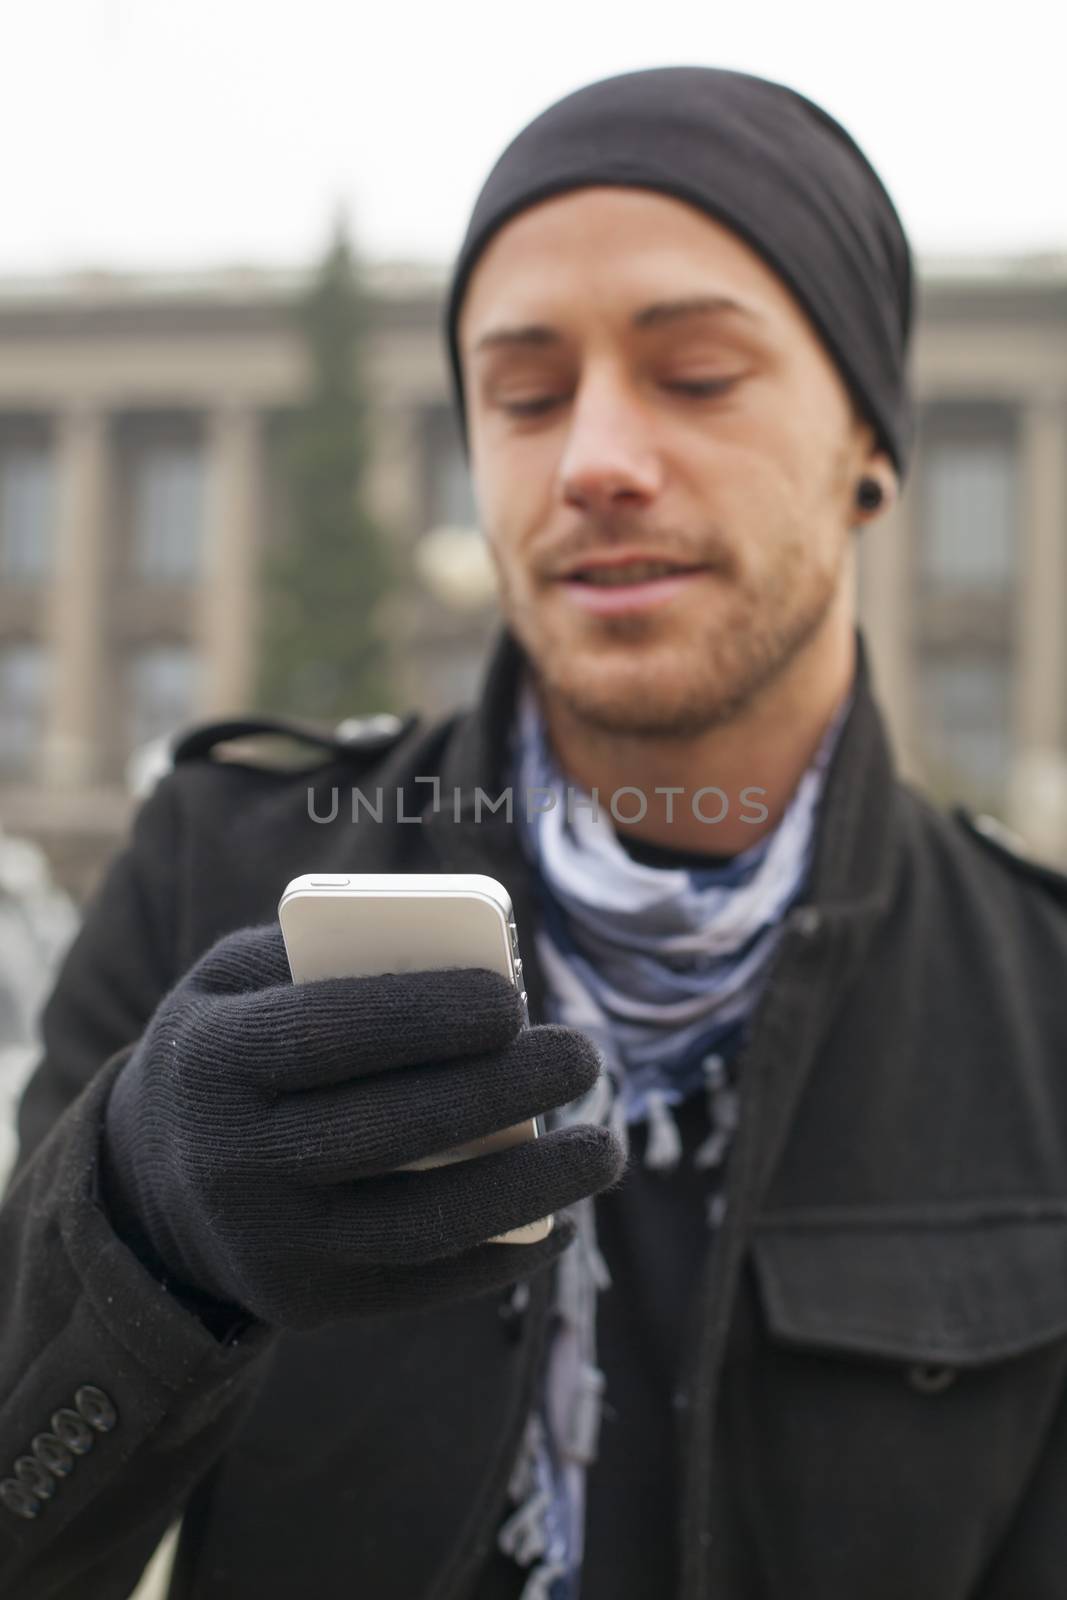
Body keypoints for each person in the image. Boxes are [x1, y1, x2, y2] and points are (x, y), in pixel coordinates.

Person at [4, 63, 1067, 1600]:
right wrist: (135, 1249)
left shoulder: (1038, 999)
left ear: (873, 448)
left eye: (697, 378)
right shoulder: (215, 882)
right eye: (522, 396)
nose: (594, 462)